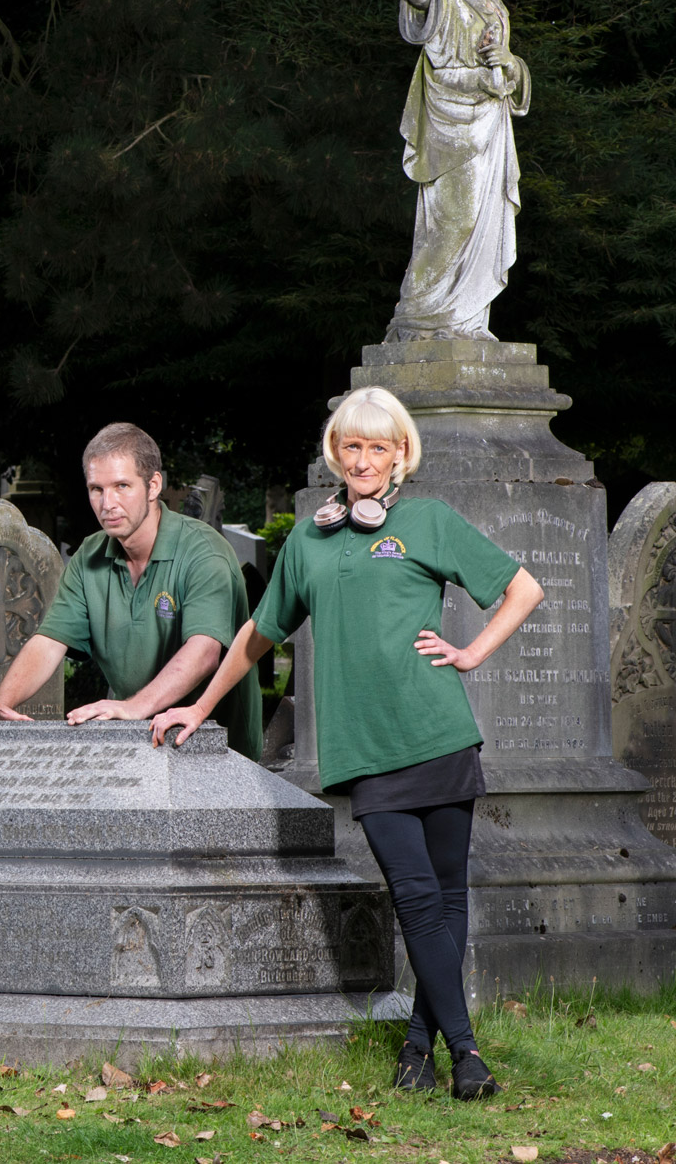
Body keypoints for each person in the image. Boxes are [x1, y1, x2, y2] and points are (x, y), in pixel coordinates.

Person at [150, 386, 542, 1100]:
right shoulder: (309, 540)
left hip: (439, 732)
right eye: (351, 446)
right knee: (417, 896)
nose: (363, 459)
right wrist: (199, 703)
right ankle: (468, 1052)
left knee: (446, 899)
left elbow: (522, 588)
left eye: (378, 446)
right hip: (367, 747)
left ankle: (420, 1046)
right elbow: (257, 633)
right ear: (337, 453)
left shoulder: (428, 520)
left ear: (400, 455)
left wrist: (473, 650)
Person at [0, 423, 263, 761]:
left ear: (153, 485)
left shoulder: (204, 551)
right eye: (96, 489)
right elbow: (48, 642)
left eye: (122, 486)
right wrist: (2, 701)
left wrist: (134, 707)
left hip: (217, 750)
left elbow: (204, 652)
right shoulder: (90, 555)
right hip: (138, 743)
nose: (108, 503)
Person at [387, 0, 532, 342]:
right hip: (454, 131)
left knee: (485, 224)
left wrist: (509, 65)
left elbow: (510, 68)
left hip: (492, 128)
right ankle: (415, 318)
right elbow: (441, 65)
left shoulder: (493, 2)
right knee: (455, 220)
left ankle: (466, 323)